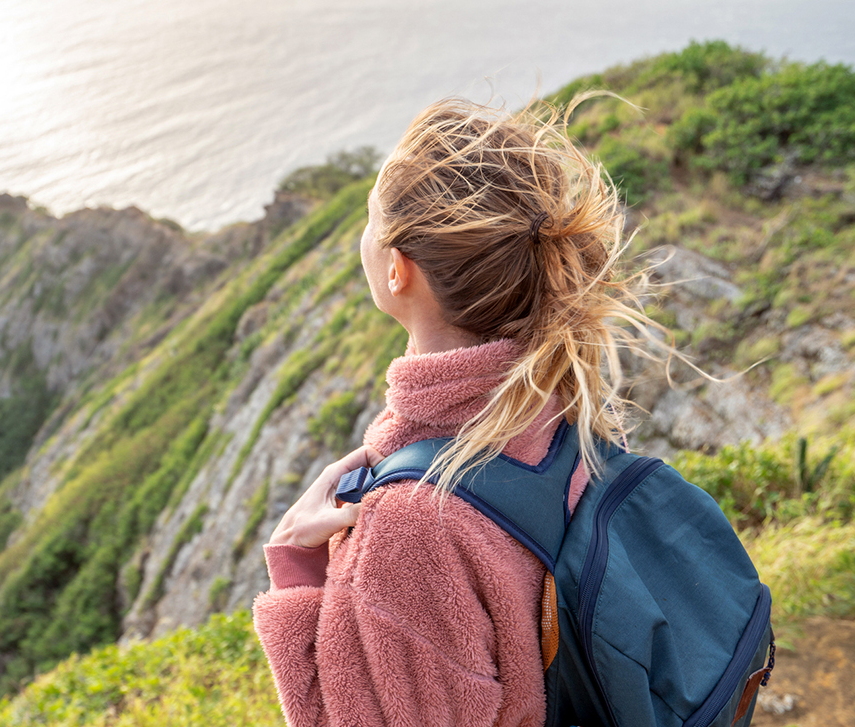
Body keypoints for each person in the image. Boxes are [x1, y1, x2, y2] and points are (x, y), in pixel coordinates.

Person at [252, 97, 673, 726]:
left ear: (398, 270)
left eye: (370, 219)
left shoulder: (413, 527)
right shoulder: (558, 405)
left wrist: (295, 562)